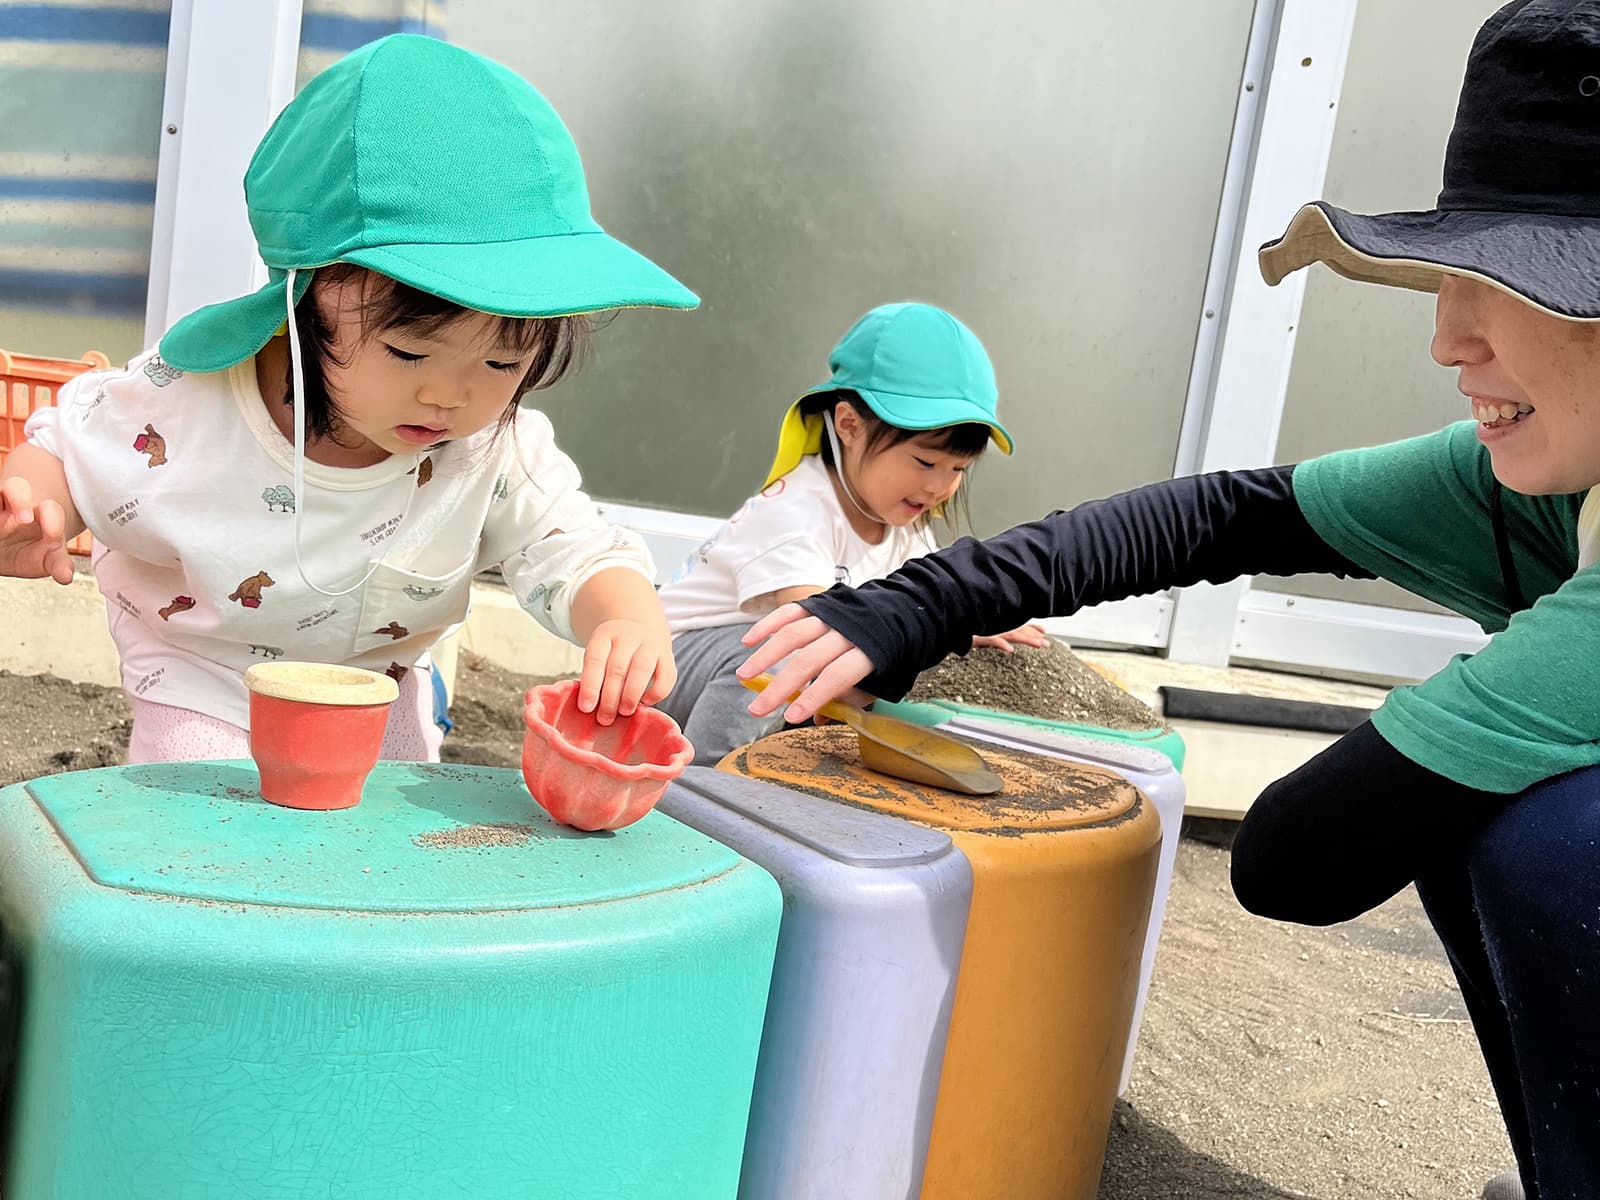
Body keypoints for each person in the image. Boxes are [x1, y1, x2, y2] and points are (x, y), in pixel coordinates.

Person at [740, 3, 1599, 1196]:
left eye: (1515, 283)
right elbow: (1227, 513)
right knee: (1492, 809)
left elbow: (1295, 861)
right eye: (1456, 274)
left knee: (1554, 839)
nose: (1448, 337)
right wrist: (913, 605)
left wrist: (1490, 710)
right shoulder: (1560, 469)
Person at [0, 35, 695, 763]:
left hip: (373, 682)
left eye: (502, 360)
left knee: (386, 833)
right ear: (307, 297)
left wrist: (626, 617)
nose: (448, 395)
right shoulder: (188, 403)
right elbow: (65, 448)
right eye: (408, 352)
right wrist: (33, 506)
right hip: (205, 675)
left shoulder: (494, 446)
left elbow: (573, 548)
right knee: (205, 823)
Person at [655, 302, 1045, 764]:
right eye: (925, 462)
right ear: (849, 425)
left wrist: (970, 624)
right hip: (665, 675)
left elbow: (922, 605)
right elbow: (821, 629)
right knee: (806, 647)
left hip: (744, 681)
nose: (938, 486)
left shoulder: (902, 523)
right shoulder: (797, 511)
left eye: (958, 469)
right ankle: (706, 781)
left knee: (893, 652)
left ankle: (776, 766)